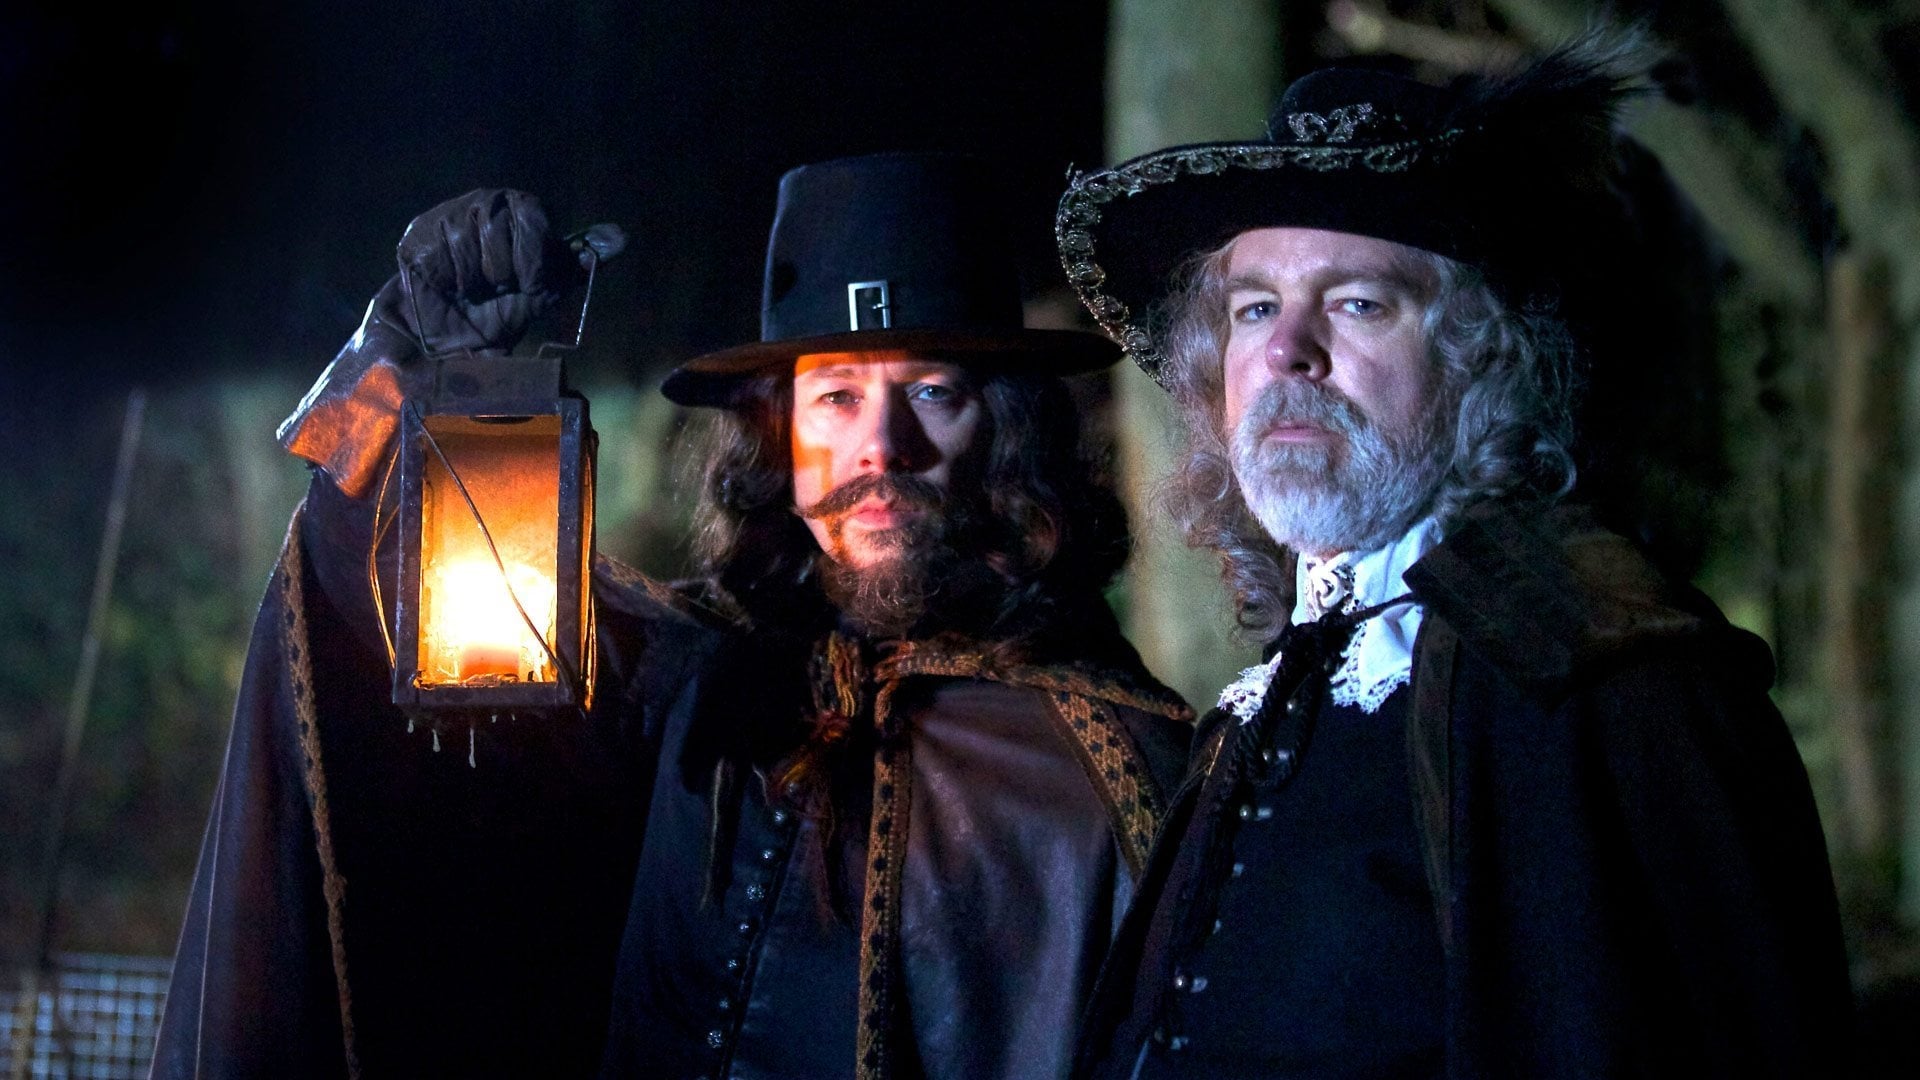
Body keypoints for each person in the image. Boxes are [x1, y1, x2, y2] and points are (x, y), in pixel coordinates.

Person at [152, 153, 1191, 1080]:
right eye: (836, 398)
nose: (882, 446)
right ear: (777, 437)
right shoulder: (680, 677)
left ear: (1003, 432)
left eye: (931, 393)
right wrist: (413, 383)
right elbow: (368, 620)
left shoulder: (1104, 756)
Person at [1051, 37, 1853, 1079]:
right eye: (1255, 308)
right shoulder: (1277, 693)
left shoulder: (1606, 680)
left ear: (1479, 356)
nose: (1288, 350)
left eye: (1357, 303)